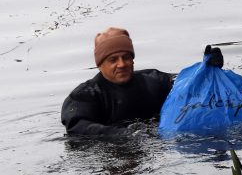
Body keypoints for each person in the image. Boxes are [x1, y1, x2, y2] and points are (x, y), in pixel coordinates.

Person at [61, 27, 223, 136]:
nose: (122, 64)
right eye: (113, 60)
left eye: (126, 57)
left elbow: (187, 85)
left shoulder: (155, 81)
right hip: (115, 147)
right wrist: (120, 135)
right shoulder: (85, 95)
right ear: (99, 64)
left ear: (133, 59)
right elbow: (77, 127)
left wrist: (207, 69)